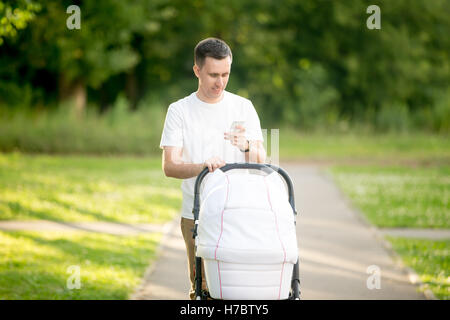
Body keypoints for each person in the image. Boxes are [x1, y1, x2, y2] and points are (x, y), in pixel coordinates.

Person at [159, 37, 266, 299]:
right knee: (203, 289)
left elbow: (261, 158)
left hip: (239, 211)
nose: (220, 82)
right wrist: (203, 167)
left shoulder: (243, 106)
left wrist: (244, 146)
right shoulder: (179, 111)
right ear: (197, 71)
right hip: (195, 213)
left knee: (239, 289)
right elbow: (170, 167)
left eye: (226, 74)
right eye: (213, 75)